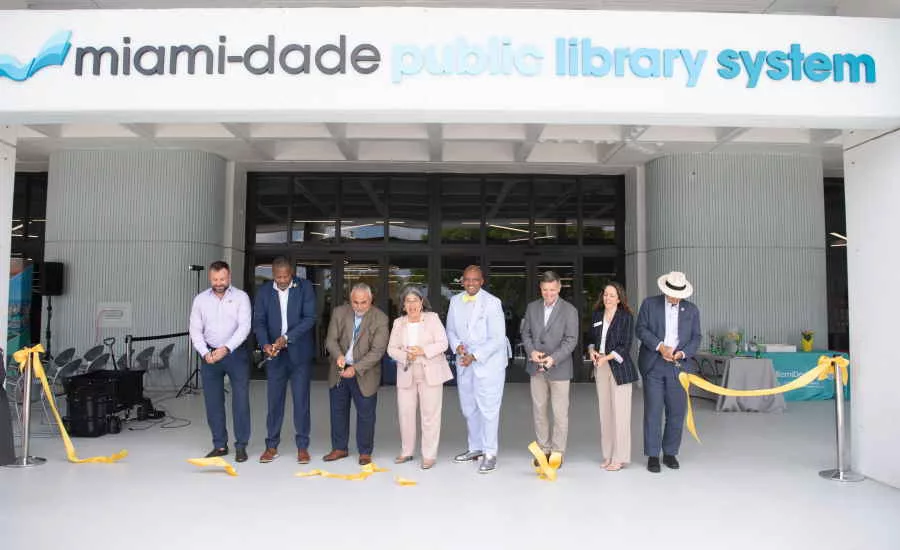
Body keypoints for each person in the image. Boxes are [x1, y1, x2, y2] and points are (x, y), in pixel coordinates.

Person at [635, 271, 701, 473]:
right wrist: (660, 346)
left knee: (676, 412)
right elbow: (641, 329)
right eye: (673, 294)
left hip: (678, 367)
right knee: (653, 412)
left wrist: (682, 353)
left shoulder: (692, 310)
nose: (676, 298)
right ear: (665, 290)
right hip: (654, 364)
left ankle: (670, 453)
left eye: (680, 295)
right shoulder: (649, 304)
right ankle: (653, 455)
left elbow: (696, 337)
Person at [252, 256, 316, 464]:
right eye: (278, 277)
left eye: (285, 276)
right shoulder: (264, 292)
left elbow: (310, 318)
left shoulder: (305, 288)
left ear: (292, 274)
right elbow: (259, 322)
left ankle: (302, 447)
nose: (282, 280)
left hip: (299, 355)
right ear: (273, 275)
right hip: (275, 356)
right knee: (274, 402)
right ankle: (271, 446)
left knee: (301, 402)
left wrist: (287, 338)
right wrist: (265, 344)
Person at [188, 260, 252, 463]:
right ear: (210, 278)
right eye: (215, 279)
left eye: (222, 279)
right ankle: (220, 445)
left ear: (229, 277)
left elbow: (244, 327)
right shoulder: (200, 300)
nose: (218, 283)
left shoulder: (241, 297)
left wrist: (226, 348)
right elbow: (195, 329)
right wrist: (204, 352)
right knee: (213, 402)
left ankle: (241, 446)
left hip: (235, 353)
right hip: (210, 355)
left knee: (240, 401)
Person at [446, 265, 507, 473]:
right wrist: (458, 347)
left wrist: (474, 356)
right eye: (467, 279)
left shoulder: (492, 302)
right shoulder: (455, 301)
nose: (470, 283)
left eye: (475, 279)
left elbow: (497, 339)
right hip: (465, 363)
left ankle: (490, 453)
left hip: (488, 364)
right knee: (469, 407)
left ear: (482, 281)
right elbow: (451, 330)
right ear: (462, 281)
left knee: (488, 409)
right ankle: (475, 448)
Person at [386, 286, 453, 470]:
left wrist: (423, 350)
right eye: (408, 301)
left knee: (430, 415)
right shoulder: (398, 323)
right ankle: (406, 451)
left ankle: (429, 455)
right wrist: (405, 355)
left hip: (430, 372)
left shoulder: (432, 319)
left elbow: (443, 343)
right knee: (405, 414)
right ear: (403, 305)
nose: (412, 304)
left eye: (415, 300)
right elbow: (391, 349)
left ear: (422, 302)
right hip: (407, 372)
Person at [323, 283, 389, 466]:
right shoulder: (339, 312)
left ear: (371, 300)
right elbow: (330, 340)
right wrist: (339, 356)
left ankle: (365, 452)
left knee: (366, 414)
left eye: (363, 302)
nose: (359, 306)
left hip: (365, 372)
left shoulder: (380, 318)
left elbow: (377, 351)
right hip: (339, 370)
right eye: (355, 302)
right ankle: (339, 448)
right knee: (338, 411)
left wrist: (356, 368)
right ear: (350, 300)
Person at [520, 271, 578, 467]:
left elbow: (571, 340)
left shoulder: (569, 310)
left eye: (552, 290)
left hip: (559, 368)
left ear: (559, 288)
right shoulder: (532, 307)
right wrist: (531, 351)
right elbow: (526, 334)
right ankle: (543, 449)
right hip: (536, 367)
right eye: (545, 290)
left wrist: (553, 359)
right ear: (540, 289)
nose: (549, 294)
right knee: (539, 411)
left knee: (560, 414)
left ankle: (557, 452)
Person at [588, 282, 639, 471]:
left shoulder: (626, 317)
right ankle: (608, 455)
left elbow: (625, 345)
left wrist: (606, 357)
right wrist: (592, 351)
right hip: (600, 367)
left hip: (619, 368)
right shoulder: (597, 315)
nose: (607, 298)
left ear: (619, 299)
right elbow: (591, 339)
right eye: (605, 295)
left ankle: (620, 457)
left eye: (611, 295)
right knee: (605, 413)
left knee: (621, 414)